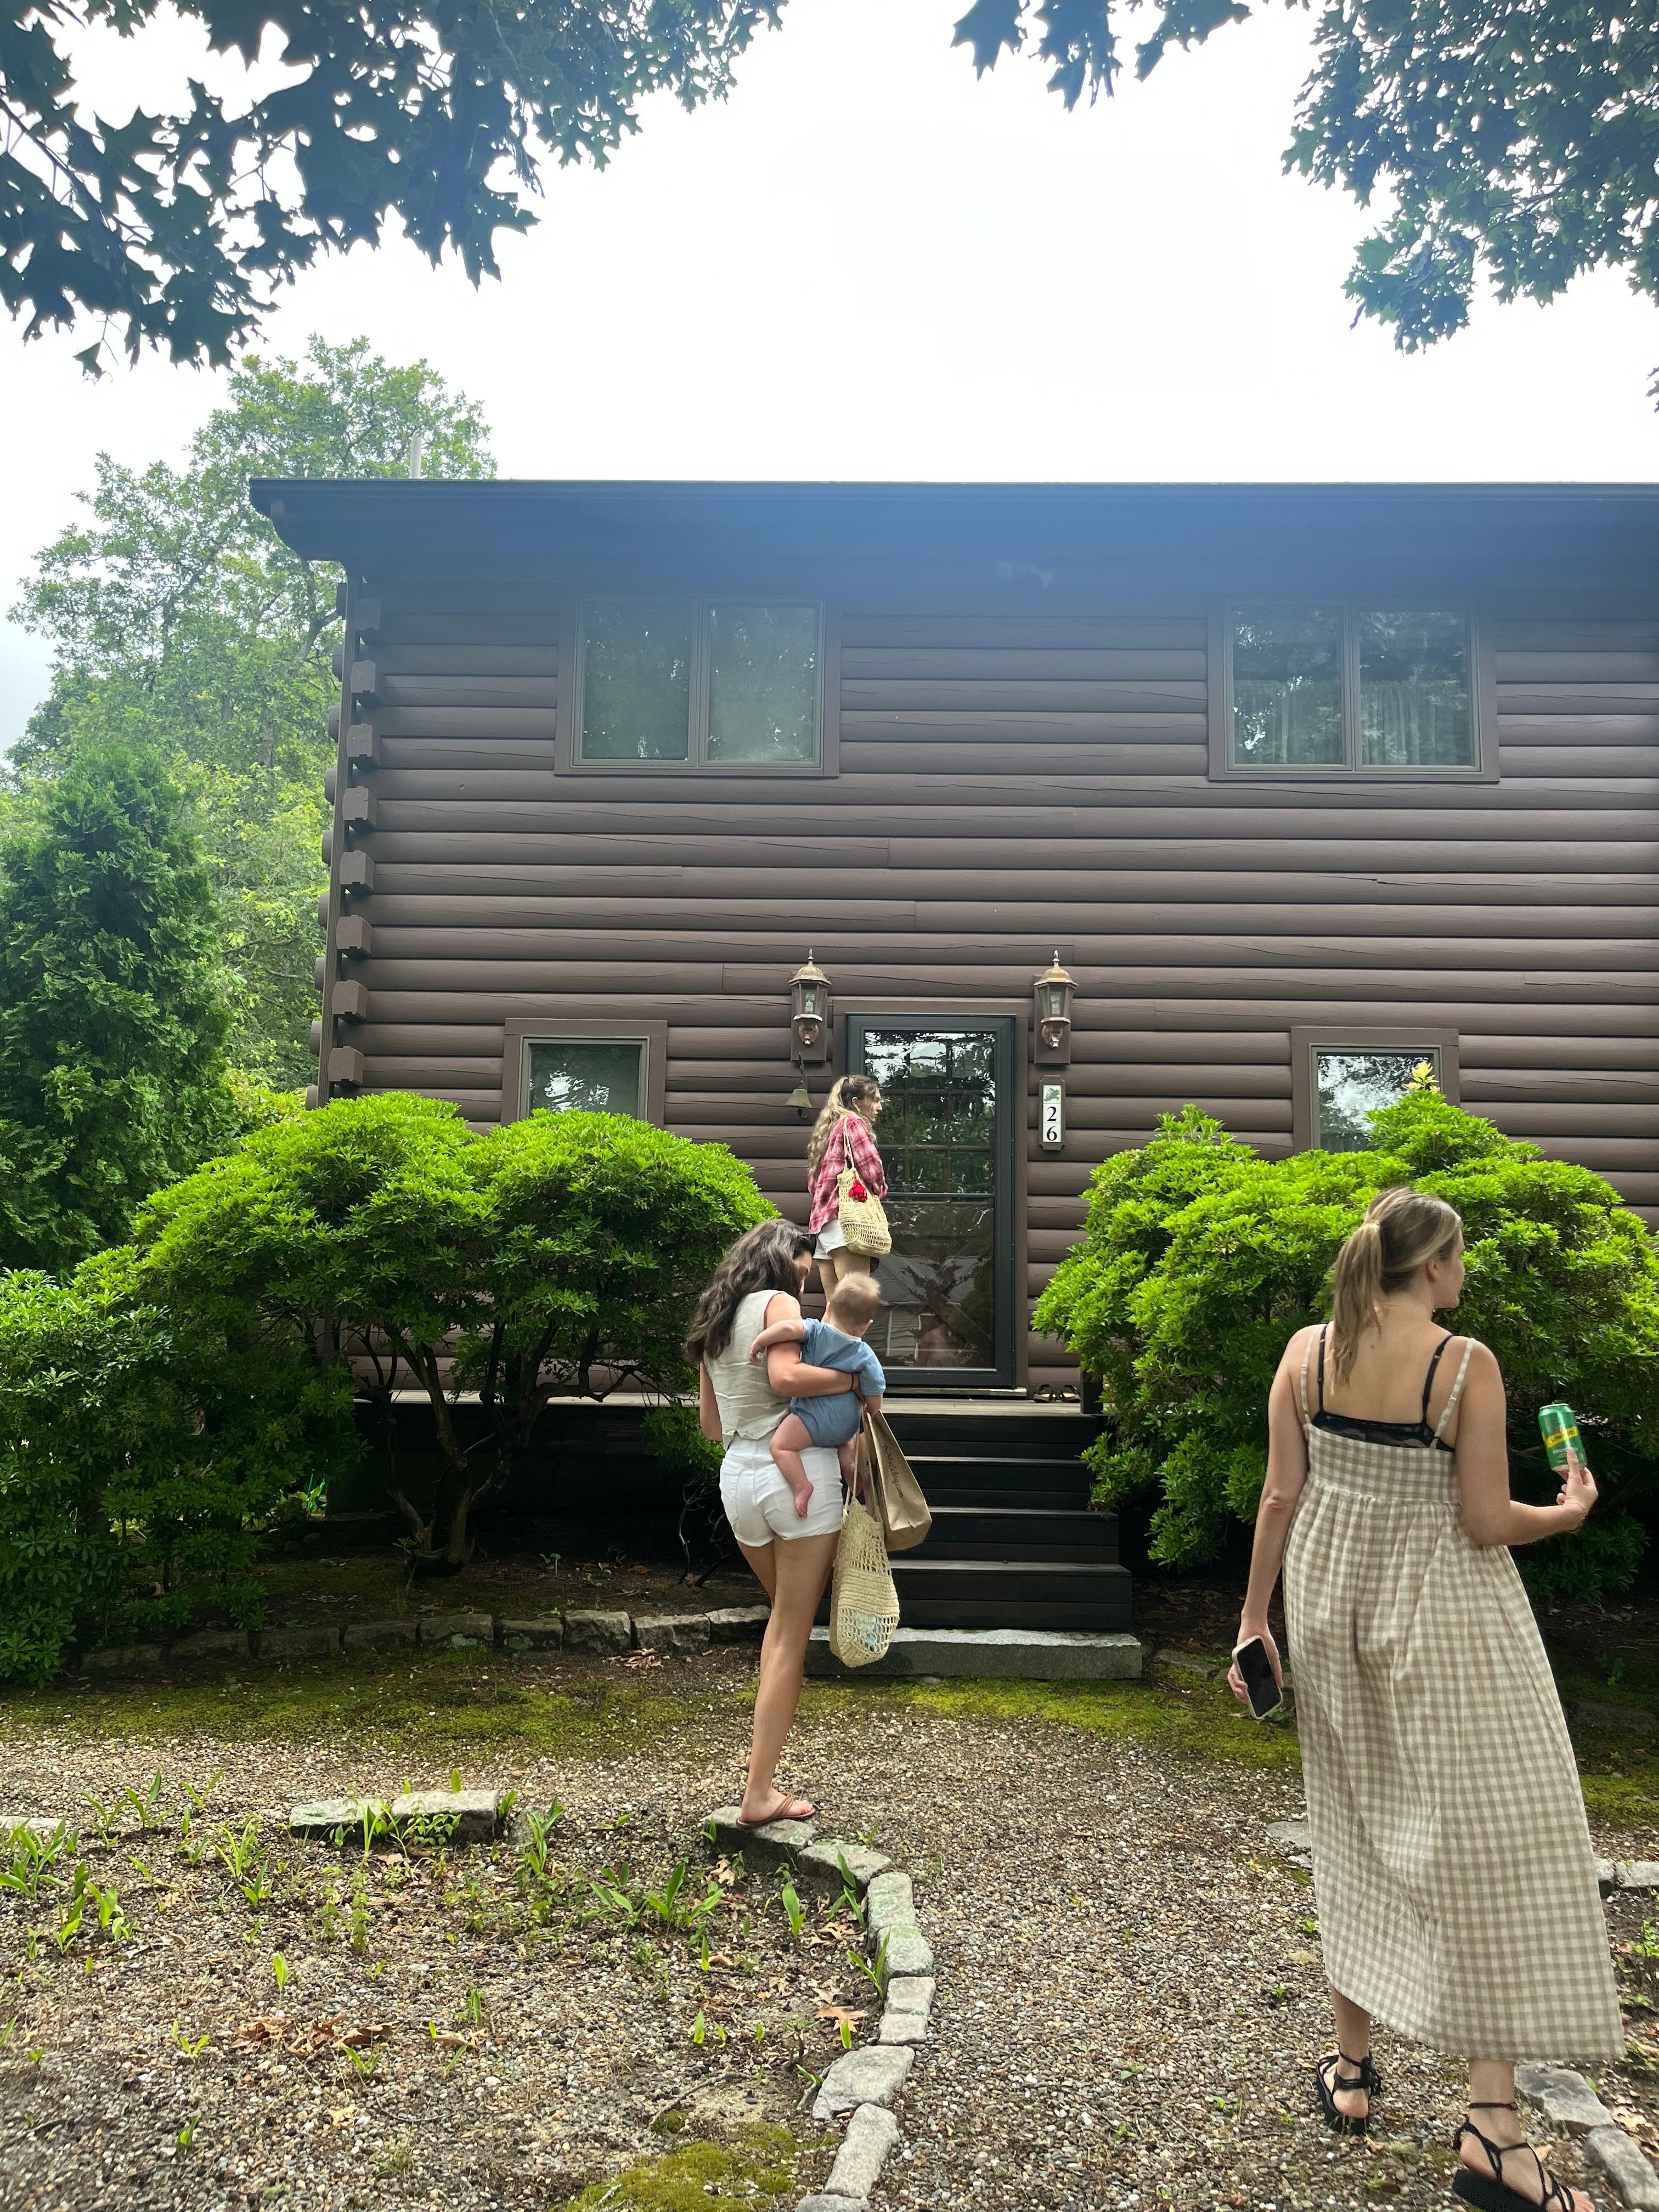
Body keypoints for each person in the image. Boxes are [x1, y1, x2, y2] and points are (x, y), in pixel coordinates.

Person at [1228, 1186, 1617, 2212]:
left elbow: (1279, 1495)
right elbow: (1484, 1520)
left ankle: (1351, 2072)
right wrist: (1567, 1511)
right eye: (1460, 1255)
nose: (1465, 1270)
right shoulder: (1462, 1363)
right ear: (1433, 1265)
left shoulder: (1306, 1353)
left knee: (1350, 1821)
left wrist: (1253, 1621)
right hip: (1440, 1612)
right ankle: (1493, 2128)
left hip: (1325, 1604)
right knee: (1487, 1837)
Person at [687, 1220, 859, 1827]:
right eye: (802, 1273)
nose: (803, 1287)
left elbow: (711, 1427)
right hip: (796, 1476)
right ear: (782, 1263)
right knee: (789, 1634)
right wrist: (853, 1377)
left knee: (781, 1625)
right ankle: (758, 1794)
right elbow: (786, 1380)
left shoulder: (714, 1319)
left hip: (739, 1478)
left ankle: (763, 1782)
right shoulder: (778, 1304)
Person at [749, 1273, 885, 1514]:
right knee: (845, 1445)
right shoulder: (866, 1356)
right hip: (846, 1425)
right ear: (867, 1325)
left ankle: (801, 1486)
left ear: (829, 1308)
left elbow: (788, 1328)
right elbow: (875, 1401)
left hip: (813, 1420)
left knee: (780, 1447)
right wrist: (870, 1410)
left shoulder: (815, 1330)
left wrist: (761, 1341)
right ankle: (852, 1474)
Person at [806, 1074, 888, 1296]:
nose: (880, 1107)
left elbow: (813, 1183)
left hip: (824, 1226)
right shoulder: (853, 1123)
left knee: (834, 1305)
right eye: (875, 1100)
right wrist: (880, 1191)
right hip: (847, 1224)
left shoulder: (828, 1129)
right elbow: (872, 1168)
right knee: (856, 1302)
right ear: (856, 1102)